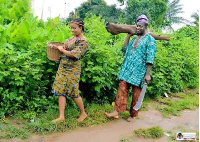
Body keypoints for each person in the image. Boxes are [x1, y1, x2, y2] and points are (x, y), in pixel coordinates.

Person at [105, 15, 157, 122]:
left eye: (141, 26)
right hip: (127, 70)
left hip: (139, 72)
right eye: (137, 26)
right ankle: (116, 111)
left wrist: (147, 74)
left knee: (136, 94)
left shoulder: (150, 40)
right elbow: (124, 49)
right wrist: (128, 35)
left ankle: (133, 115)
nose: (138, 28)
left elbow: (150, 58)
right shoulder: (134, 38)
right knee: (122, 88)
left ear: (145, 27)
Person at [51, 19, 89, 123]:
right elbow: (63, 47)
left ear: (81, 28)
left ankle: (83, 113)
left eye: (74, 28)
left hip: (73, 69)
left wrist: (62, 50)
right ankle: (61, 116)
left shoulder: (83, 41)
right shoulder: (72, 38)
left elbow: (74, 54)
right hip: (63, 66)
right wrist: (55, 47)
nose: (72, 30)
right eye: (71, 28)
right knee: (60, 90)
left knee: (73, 91)